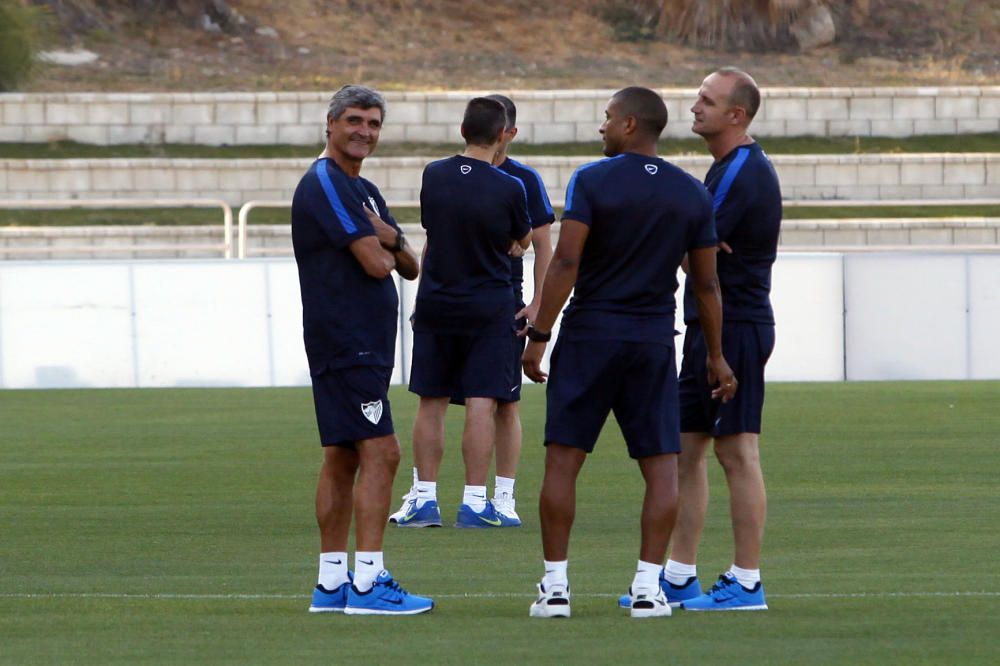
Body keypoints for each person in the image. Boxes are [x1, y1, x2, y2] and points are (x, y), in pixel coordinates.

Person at [521, 86, 737, 619]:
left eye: (608, 118)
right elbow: (706, 286)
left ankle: (554, 589)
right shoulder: (692, 194)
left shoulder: (591, 180)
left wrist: (538, 335)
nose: (602, 127)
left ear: (631, 124)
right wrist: (717, 355)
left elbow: (566, 262)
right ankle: (647, 588)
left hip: (590, 336)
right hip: (651, 342)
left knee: (564, 460)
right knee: (661, 468)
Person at [291, 84, 433, 615]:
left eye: (373, 124)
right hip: (345, 341)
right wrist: (388, 244)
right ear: (329, 124)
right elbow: (379, 266)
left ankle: (330, 585)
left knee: (344, 456)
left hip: (363, 345)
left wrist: (389, 236)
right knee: (384, 451)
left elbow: (410, 265)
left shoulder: (365, 189)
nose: (364, 132)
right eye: (354, 120)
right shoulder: (326, 182)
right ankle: (370, 584)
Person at [388, 94, 554, 528]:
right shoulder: (510, 186)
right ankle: (476, 502)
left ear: (462, 130)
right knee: (483, 400)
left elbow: (434, 231)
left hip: (438, 300)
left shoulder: (434, 174)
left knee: (431, 398)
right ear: (503, 135)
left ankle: (424, 498)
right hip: (489, 304)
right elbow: (522, 241)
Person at [665, 67, 782, 612]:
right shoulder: (720, 170)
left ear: (737, 115)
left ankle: (746, 580)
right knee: (687, 451)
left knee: (738, 451)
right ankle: (679, 574)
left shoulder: (744, 172)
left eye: (707, 101)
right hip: (706, 325)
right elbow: (695, 244)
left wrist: (693, 244)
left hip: (735, 328)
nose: (695, 107)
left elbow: (691, 244)